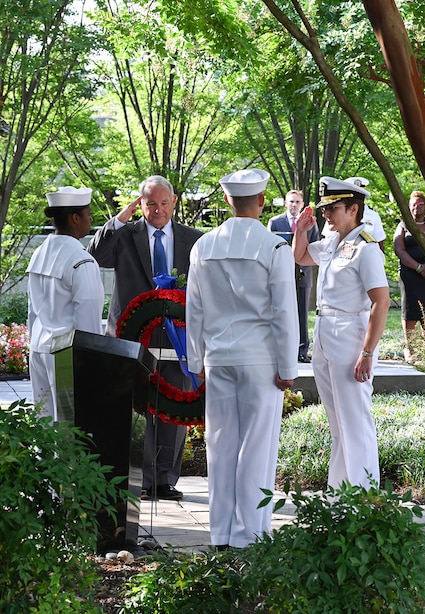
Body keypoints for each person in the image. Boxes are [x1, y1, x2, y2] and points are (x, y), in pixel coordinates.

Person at [186, 168, 298, 549]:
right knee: (257, 447)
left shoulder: (203, 246)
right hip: (260, 359)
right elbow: (284, 311)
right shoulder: (273, 247)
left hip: (218, 357)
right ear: (263, 200)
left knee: (220, 444)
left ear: (226, 201)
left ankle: (221, 532)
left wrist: (196, 360)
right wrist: (288, 367)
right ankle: (249, 535)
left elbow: (194, 309)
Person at [87, 175, 203, 501]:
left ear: (174, 202)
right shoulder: (125, 235)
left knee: (172, 408)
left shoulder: (194, 240)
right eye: (151, 204)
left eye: (164, 203)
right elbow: (97, 254)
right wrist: (120, 219)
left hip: (177, 339)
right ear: (141, 204)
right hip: (132, 337)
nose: (158, 210)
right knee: (134, 411)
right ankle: (136, 478)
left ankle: (164, 479)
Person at [292, 176, 390, 489]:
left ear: (353, 208)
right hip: (326, 333)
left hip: (351, 335)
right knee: (338, 424)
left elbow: (382, 302)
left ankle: (364, 500)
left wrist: (367, 352)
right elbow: (301, 256)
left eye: (333, 207)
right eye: (325, 208)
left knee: (355, 422)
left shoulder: (366, 249)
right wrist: (300, 232)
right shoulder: (334, 243)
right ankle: (340, 496)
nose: (326, 214)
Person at [27, 186, 104, 422]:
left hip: (39, 347)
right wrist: (91, 363)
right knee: (72, 427)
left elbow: (32, 312)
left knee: (44, 422)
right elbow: (88, 320)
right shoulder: (81, 260)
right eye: (88, 214)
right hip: (68, 353)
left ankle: (43, 461)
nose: (90, 219)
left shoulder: (39, 253)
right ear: (75, 218)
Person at [267, 189, 319, 362]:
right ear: (285, 203)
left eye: (297, 202)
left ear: (302, 204)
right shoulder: (275, 223)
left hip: (303, 274)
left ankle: (302, 350)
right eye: (291, 201)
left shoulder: (311, 223)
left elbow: (315, 247)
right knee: (281, 311)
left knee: (302, 312)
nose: (294, 205)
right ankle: (281, 349)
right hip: (282, 274)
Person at [393, 190, 425, 360]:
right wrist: (417, 267)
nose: (417, 207)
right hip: (410, 274)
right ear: (409, 207)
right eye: (413, 205)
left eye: (420, 204)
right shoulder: (404, 225)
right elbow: (399, 249)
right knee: (410, 309)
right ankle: (410, 349)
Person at [343, 177, 386, 251]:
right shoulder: (336, 213)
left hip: (366, 258)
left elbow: (379, 244)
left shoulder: (373, 215)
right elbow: (328, 238)